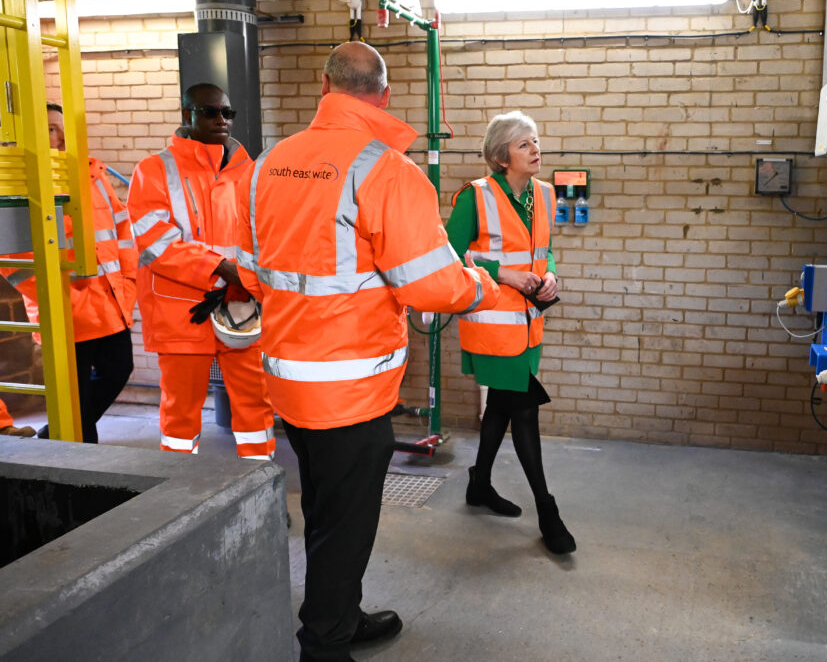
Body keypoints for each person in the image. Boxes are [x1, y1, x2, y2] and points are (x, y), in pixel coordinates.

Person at [235, 41, 501, 662]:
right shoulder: (387, 171)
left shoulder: (269, 163)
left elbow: (249, 270)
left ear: (323, 86)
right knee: (346, 528)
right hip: (351, 392)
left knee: (327, 511)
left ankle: (340, 613)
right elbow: (431, 286)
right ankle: (324, 644)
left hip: (288, 384)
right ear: (383, 95)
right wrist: (483, 283)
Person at [446, 110, 576, 555]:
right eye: (524, 144)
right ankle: (548, 510)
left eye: (536, 141)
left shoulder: (545, 192)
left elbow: (547, 249)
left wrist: (552, 274)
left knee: (503, 404)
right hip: (493, 324)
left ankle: (479, 484)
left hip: (530, 323)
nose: (535, 150)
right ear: (502, 157)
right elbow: (450, 256)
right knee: (523, 410)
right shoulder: (474, 197)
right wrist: (505, 274)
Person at [126, 84, 275, 460]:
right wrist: (222, 268)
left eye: (227, 113)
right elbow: (155, 243)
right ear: (186, 116)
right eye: (209, 112)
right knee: (180, 414)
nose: (220, 120)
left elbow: (267, 235)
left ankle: (261, 489)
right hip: (181, 314)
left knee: (256, 406)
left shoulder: (251, 171)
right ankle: (176, 496)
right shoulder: (154, 170)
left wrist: (250, 278)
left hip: (242, 307)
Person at [1, 103, 138, 443]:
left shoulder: (92, 173)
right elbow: (12, 258)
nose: (59, 136)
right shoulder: (17, 181)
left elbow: (122, 228)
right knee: (76, 402)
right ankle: (82, 473)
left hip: (110, 304)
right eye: (49, 128)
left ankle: (56, 434)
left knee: (119, 371)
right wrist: (52, 292)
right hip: (64, 310)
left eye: (61, 128)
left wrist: (128, 280)